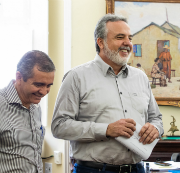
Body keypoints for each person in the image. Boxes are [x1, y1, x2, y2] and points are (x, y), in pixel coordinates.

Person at [51, 14, 163, 173]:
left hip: (137, 169)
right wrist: (106, 130)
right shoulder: (76, 77)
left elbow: (156, 118)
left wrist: (155, 128)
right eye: (120, 37)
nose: (127, 43)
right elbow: (59, 126)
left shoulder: (141, 77)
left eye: (129, 38)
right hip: (93, 170)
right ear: (100, 42)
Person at [0, 50, 55, 173]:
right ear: (19, 77)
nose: (44, 91)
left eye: (48, 85)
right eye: (39, 84)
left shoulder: (36, 106)